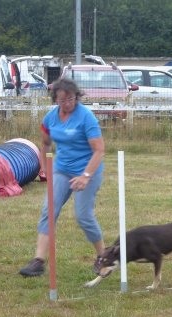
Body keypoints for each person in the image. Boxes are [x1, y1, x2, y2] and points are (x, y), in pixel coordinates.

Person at [19, 77, 106, 277]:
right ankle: (38, 261)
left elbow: (99, 150)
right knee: (48, 210)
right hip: (62, 169)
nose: (67, 104)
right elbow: (46, 144)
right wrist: (45, 170)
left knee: (83, 216)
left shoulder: (86, 117)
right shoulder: (50, 118)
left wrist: (85, 176)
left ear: (76, 97)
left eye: (70, 99)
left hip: (87, 170)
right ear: (55, 99)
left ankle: (103, 256)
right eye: (62, 100)